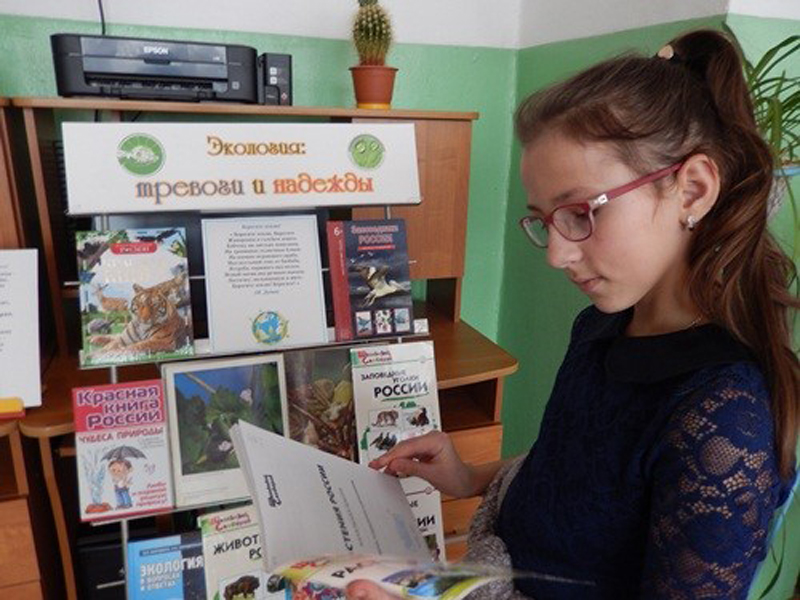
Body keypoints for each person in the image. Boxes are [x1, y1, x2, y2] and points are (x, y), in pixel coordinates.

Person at [345, 29, 799, 600]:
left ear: (693, 190)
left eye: (581, 212)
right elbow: (578, 473)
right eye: (544, 220)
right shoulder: (602, 325)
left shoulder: (724, 419)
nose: (557, 254)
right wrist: (468, 477)